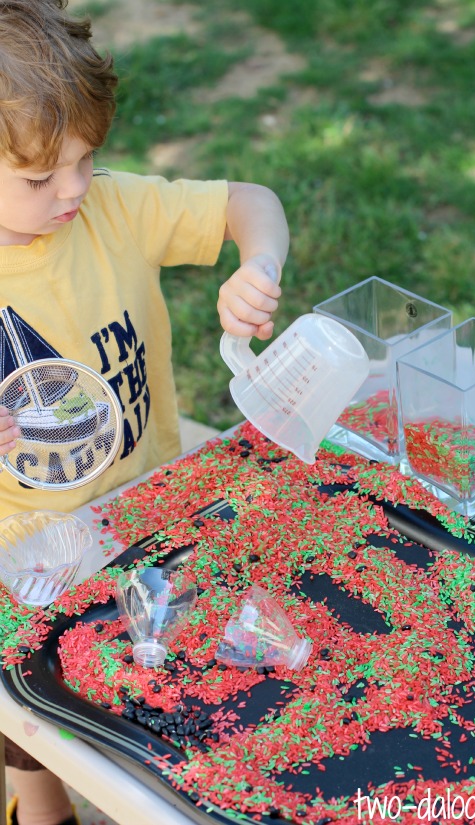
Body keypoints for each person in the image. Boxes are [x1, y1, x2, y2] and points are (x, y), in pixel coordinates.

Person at [0, 1, 289, 823]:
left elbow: (250, 200)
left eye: (86, 160)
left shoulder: (113, 209)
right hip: (24, 549)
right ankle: (38, 801)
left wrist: (258, 262)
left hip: (149, 504)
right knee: (34, 707)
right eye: (38, 178)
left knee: (162, 677)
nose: (73, 191)